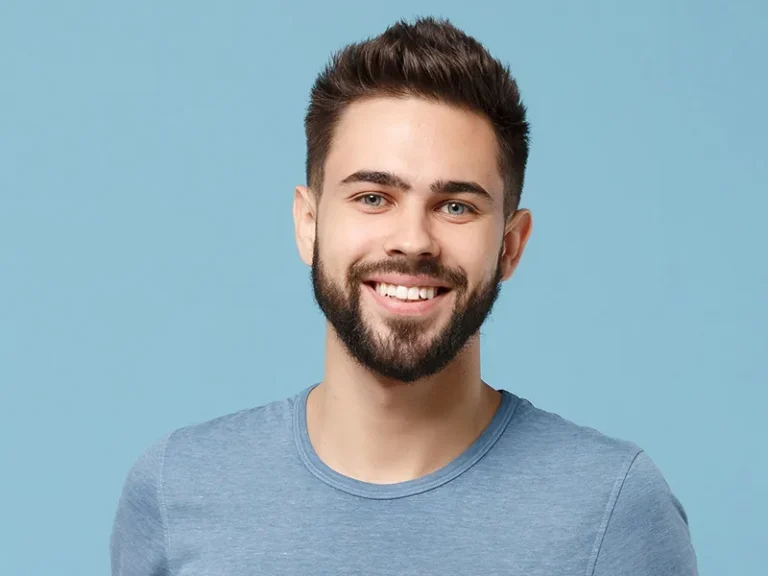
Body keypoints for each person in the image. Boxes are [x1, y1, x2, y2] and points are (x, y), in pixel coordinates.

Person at [111, 16, 698, 575]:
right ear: (308, 224)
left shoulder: (613, 510)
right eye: (372, 197)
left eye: (456, 207)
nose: (413, 240)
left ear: (510, 246)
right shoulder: (175, 490)